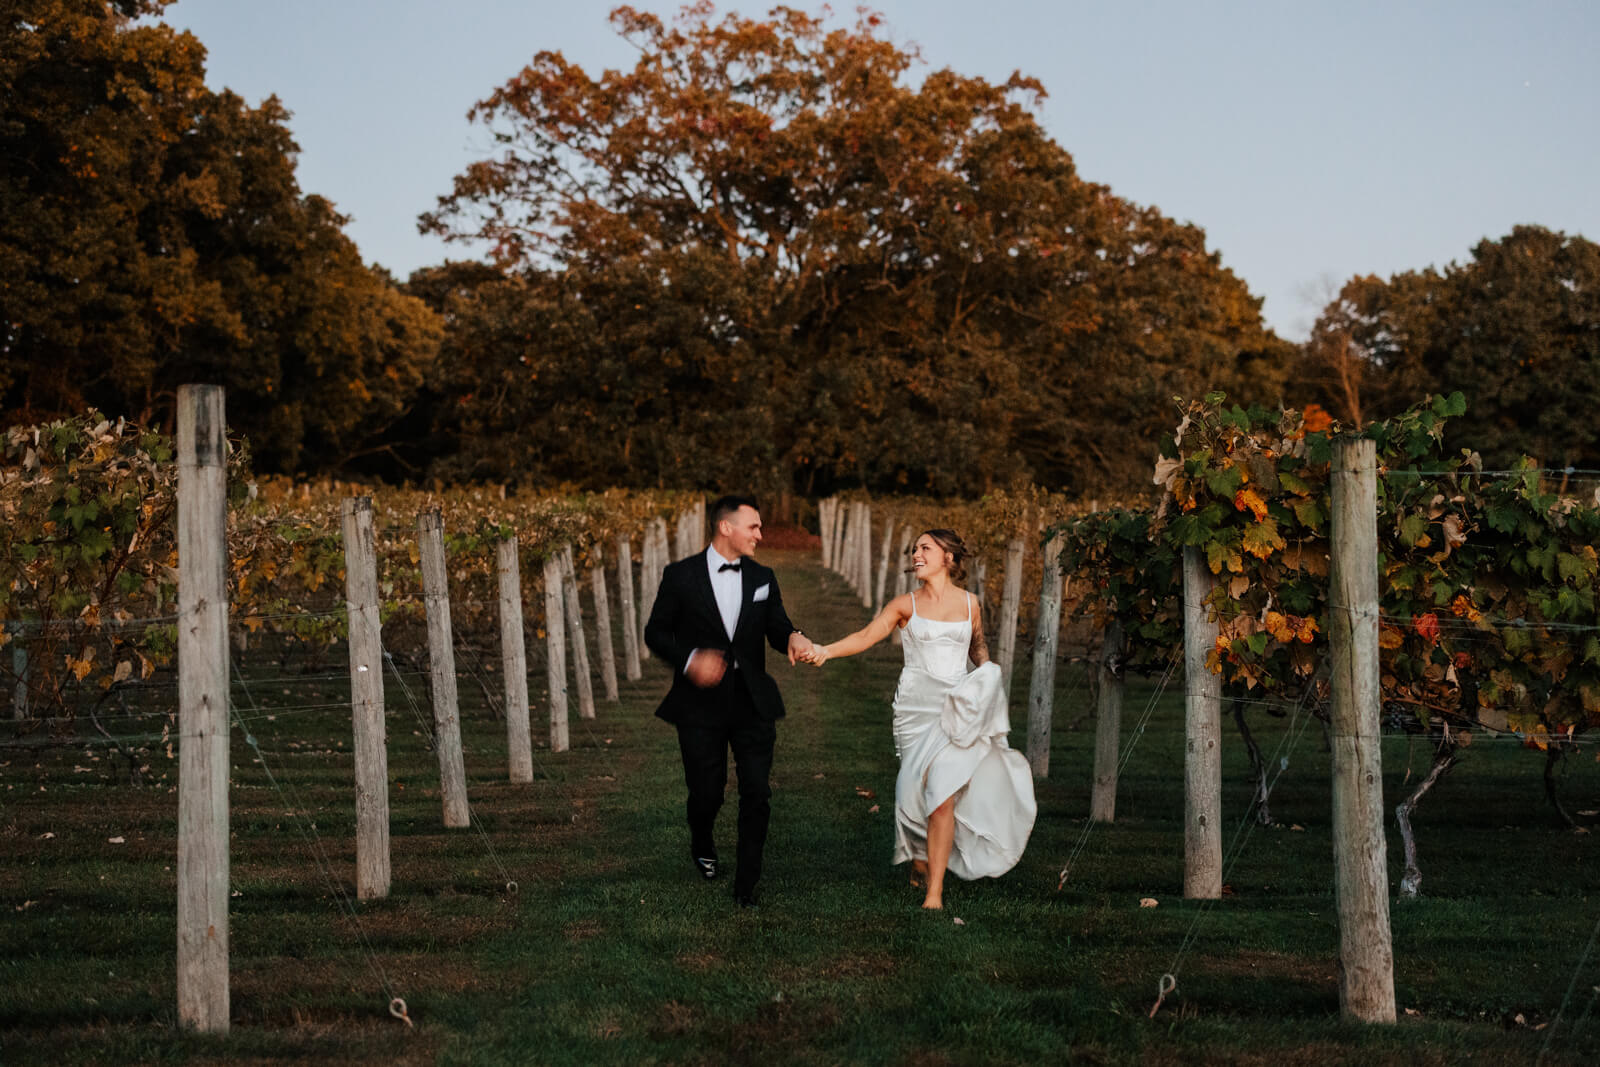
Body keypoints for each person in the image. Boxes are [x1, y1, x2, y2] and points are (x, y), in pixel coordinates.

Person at [804, 529, 1035, 909]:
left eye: (925, 548)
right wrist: (825, 651)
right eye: (914, 549)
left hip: (955, 711)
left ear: (948, 558)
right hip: (914, 710)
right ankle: (920, 859)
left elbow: (977, 648)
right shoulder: (904, 605)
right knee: (911, 793)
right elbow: (865, 636)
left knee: (942, 796)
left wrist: (988, 675)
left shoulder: (970, 604)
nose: (916, 554)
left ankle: (935, 894)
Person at [644, 495, 815, 909]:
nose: (761, 534)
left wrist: (794, 636)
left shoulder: (762, 577)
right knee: (708, 793)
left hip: (752, 701)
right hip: (699, 703)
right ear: (726, 527)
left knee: (757, 792)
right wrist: (689, 660)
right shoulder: (680, 576)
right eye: (753, 526)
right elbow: (656, 632)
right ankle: (701, 838)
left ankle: (746, 885)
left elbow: (777, 627)